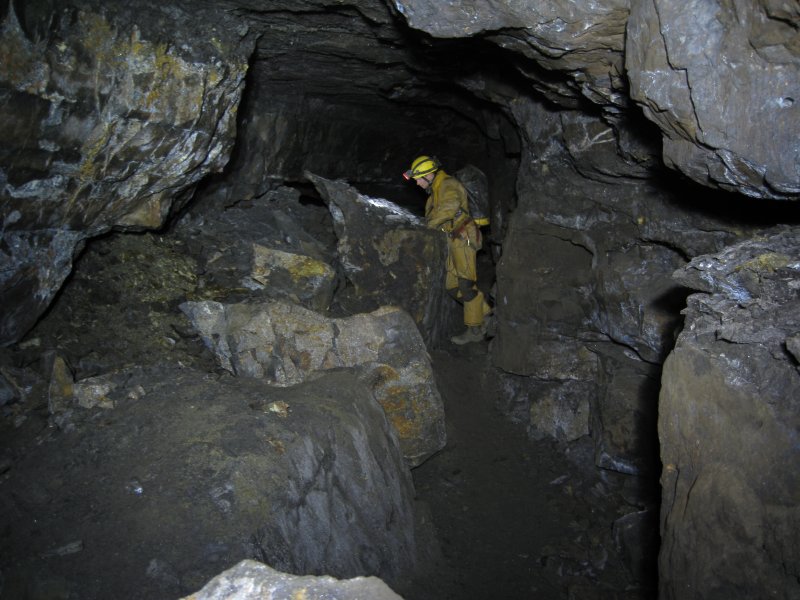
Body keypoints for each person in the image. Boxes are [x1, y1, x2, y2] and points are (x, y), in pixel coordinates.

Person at [403, 155, 493, 345]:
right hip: (453, 241)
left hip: (464, 238)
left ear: (429, 175)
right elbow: (433, 215)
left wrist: (427, 228)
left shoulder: (447, 184)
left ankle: (475, 330)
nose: (417, 183)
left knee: (466, 284)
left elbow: (448, 209)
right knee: (451, 286)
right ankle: (486, 315)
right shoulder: (434, 192)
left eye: (419, 178)